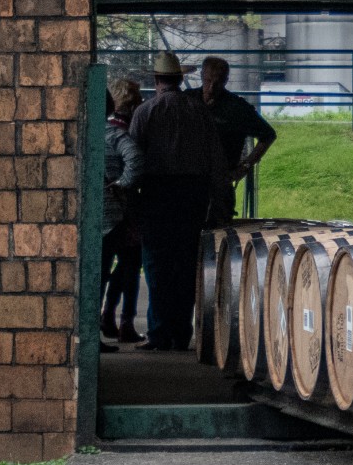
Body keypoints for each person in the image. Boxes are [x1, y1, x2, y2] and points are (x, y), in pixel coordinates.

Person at [128, 51, 227, 352]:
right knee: (185, 265)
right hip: (193, 195)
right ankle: (181, 332)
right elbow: (216, 161)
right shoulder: (199, 112)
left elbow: (133, 161)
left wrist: (131, 207)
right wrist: (220, 203)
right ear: (181, 79)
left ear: (156, 80)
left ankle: (158, 333)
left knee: (157, 265)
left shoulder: (145, 112)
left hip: (157, 195)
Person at [197, 56, 277, 224]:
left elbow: (268, 135)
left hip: (219, 186)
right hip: (190, 185)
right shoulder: (188, 100)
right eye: (208, 80)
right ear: (201, 75)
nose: (211, 88)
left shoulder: (237, 108)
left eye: (217, 83)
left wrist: (245, 166)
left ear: (226, 81)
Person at [100, 75, 145, 349]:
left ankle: (107, 319)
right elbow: (137, 160)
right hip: (120, 211)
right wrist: (124, 183)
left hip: (102, 214)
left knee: (105, 271)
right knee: (128, 264)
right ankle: (122, 321)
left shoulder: (94, 133)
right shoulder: (118, 133)